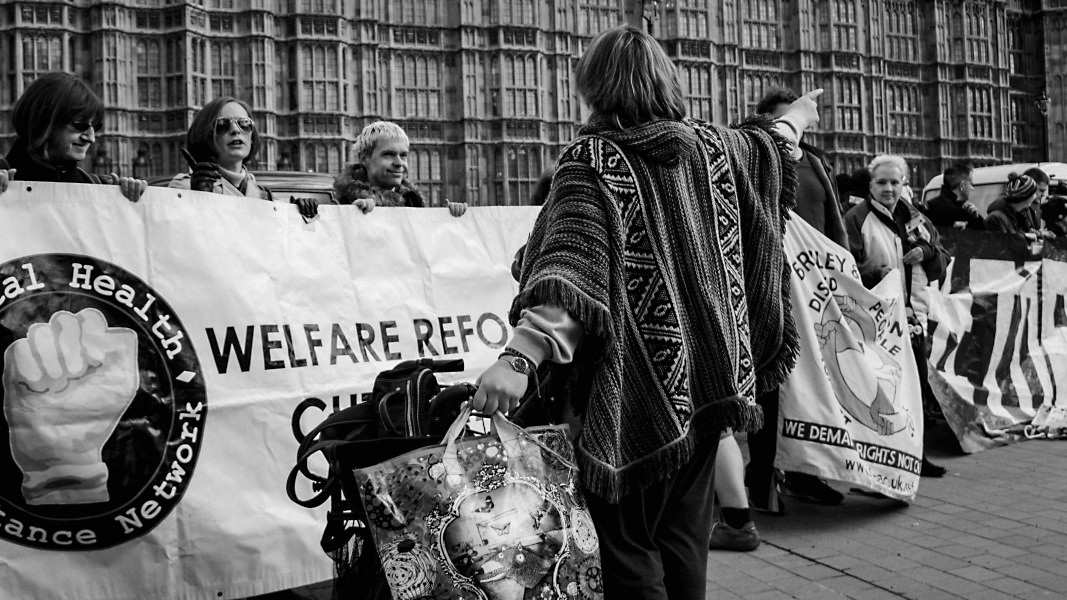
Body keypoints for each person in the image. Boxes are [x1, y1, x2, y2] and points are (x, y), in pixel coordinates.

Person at [472, 23, 821, 600]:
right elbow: (773, 143)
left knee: (627, 546)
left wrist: (520, 357)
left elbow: (572, 272)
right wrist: (800, 117)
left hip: (631, 388)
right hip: (710, 381)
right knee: (683, 536)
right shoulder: (716, 149)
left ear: (595, 86)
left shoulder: (593, 160)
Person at [738, 88, 848, 514]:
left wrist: (845, 273)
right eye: (787, 120)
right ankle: (762, 479)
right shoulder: (754, 160)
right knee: (771, 383)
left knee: (818, 380)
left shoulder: (816, 162)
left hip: (815, 291)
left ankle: (805, 472)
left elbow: (835, 225)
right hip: (769, 288)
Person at [843, 154, 948, 478]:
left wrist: (927, 251)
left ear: (904, 184)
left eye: (894, 182)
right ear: (871, 185)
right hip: (876, 323)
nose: (888, 188)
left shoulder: (918, 219)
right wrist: (876, 273)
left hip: (913, 319)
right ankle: (877, 462)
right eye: (881, 182)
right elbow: (844, 267)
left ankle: (917, 455)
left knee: (915, 388)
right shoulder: (855, 219)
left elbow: (942, 261)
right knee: (880, 392)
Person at [168, 96, 332, 219]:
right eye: (223, 125)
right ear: (205, 134)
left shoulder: (265, 196)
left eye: (244, 124)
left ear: (252, 137)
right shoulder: (183, 187)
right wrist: (197, 199)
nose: (235, 130)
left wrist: (301, 214)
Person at [0, 72, 145, 201]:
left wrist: (128, 201)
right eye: (80, 125)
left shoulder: (93, 185)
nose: (91, 138)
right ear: (44, 121)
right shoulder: (5, 178)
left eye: (95, 127)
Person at [334, 121, 466, 216]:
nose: (399, 163)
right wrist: (353, 214)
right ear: (364, 159)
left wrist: (450, 218)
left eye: (403, 155)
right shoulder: (338, 203)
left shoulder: (413, 200)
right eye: (388, 154)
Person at [924, 164, 984, 230]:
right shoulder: (963, 211)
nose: (972, 188)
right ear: (962, 185)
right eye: (971, 184)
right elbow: (986, 232)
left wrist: (976, 217)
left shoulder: (930, 207)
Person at [986, 172, 1042, 238]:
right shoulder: (996, 218)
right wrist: (1025, 236)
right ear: (1026, 199)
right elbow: (1000, 242)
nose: (1036, 195)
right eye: (1033, 193)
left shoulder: (1022, 213)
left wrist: (1030, 233)